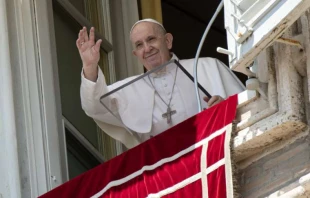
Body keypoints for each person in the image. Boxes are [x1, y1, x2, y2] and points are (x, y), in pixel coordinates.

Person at [78, 19, 244, 149]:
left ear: (168, 41)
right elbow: (94, 107)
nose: (147, 48)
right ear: (136, 54)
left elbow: (250, 105)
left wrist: (227, 108)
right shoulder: (129, 89)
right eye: (139, 45)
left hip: (215, 151)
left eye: (151, 39)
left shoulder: (208, 67)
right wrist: (90, 66)